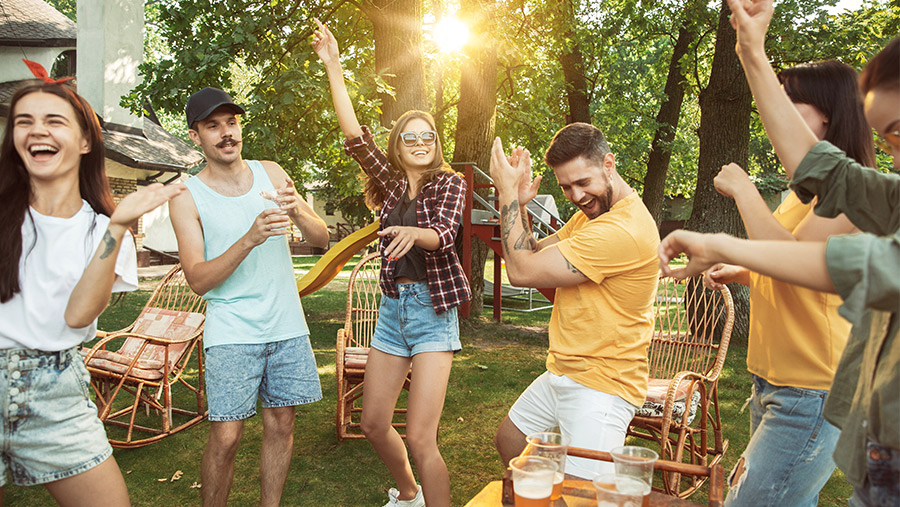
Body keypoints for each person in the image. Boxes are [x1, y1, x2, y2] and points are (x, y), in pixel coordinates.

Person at [658, 0, 899, 503]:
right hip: (841, 419)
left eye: (896, 133)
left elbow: (834, 268)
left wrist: (729, 233)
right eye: (886, 139)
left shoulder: (873, 197)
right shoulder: (862, 191)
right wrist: (750, 49)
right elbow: (822, 175)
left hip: (813, 389)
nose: (891, 154)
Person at [0, 66, 185, 506]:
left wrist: (118, 226)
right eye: (24, 121)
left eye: (53, 120)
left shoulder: (105, 230)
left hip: (56, 390)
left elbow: (78, 316)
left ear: (85, 141)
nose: (36, 130)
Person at [702, 60, 876, 507]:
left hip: (814, 388)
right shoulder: (808, 192)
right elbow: (802, 272)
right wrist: (741, 271)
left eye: (788, 101)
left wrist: (744, 190)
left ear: (828, 113)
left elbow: (789, 258)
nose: (772, 113)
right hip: (775, 381)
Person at [313, 19, 471, 507]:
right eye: (410, 137)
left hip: (432, 314)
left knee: (422, 438)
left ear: (436, 142)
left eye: (428, 136)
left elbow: (444, 234)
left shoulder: (450, 184)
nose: (420, 142)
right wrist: (333, 65)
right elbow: (355, 136)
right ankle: (408, 495)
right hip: (392, 313)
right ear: (398, 146)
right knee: (374, 423)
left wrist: (411, 233)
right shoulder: (389, 184)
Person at [168, 87, 329, 507]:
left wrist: (298, 211)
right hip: (232, 330)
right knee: (226, 435)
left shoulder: (271, 172)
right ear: (195, 136)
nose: (227, 133)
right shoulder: (187, 195)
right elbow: (198, 280)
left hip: (287, 325)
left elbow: (322, 238)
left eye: (232, 122)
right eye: (213, 125)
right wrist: (249, 238)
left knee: (282, 424)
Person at [489, 122, 660, 479]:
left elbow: (520, 272)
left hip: (603, 383)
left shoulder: (622, 230)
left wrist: (504, 191)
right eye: (566, 186)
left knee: (583, 494)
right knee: (511, 442)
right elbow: (532, 253)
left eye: (584, 183)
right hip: (566, 369)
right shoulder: (591, 218)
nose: (577, 195)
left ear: (608, 164)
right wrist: (520, 204)